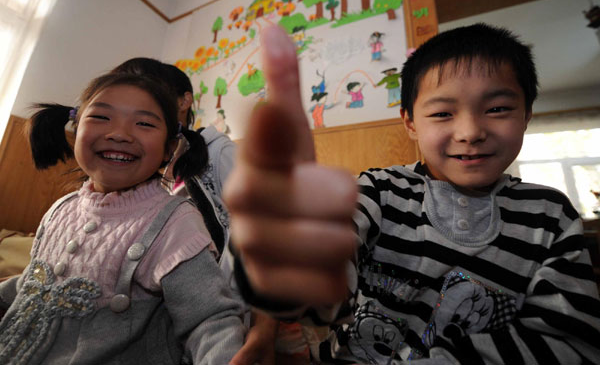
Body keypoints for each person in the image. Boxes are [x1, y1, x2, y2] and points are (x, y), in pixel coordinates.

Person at [223, 24, 600, 364]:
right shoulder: (378, 190)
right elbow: (324, 299)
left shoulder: (550, 214)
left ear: (527, 114)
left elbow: (572, 344)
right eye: (442, 114)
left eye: (498, 108)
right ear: (410, 123)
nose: (470, 131)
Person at [0, 72, 244, 364]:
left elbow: (210, 322)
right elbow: (37, 282)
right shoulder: (61, 208)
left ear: (170, 148)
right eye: (101, 117)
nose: (119, 133)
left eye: (144, 123)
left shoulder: (175, 223)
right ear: (75, 128)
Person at [111, 58, 288, 365]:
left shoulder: (219, 152)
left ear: (184, 100)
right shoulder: (147, 166)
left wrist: (263, 328)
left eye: (150, 89)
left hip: (227, 309)